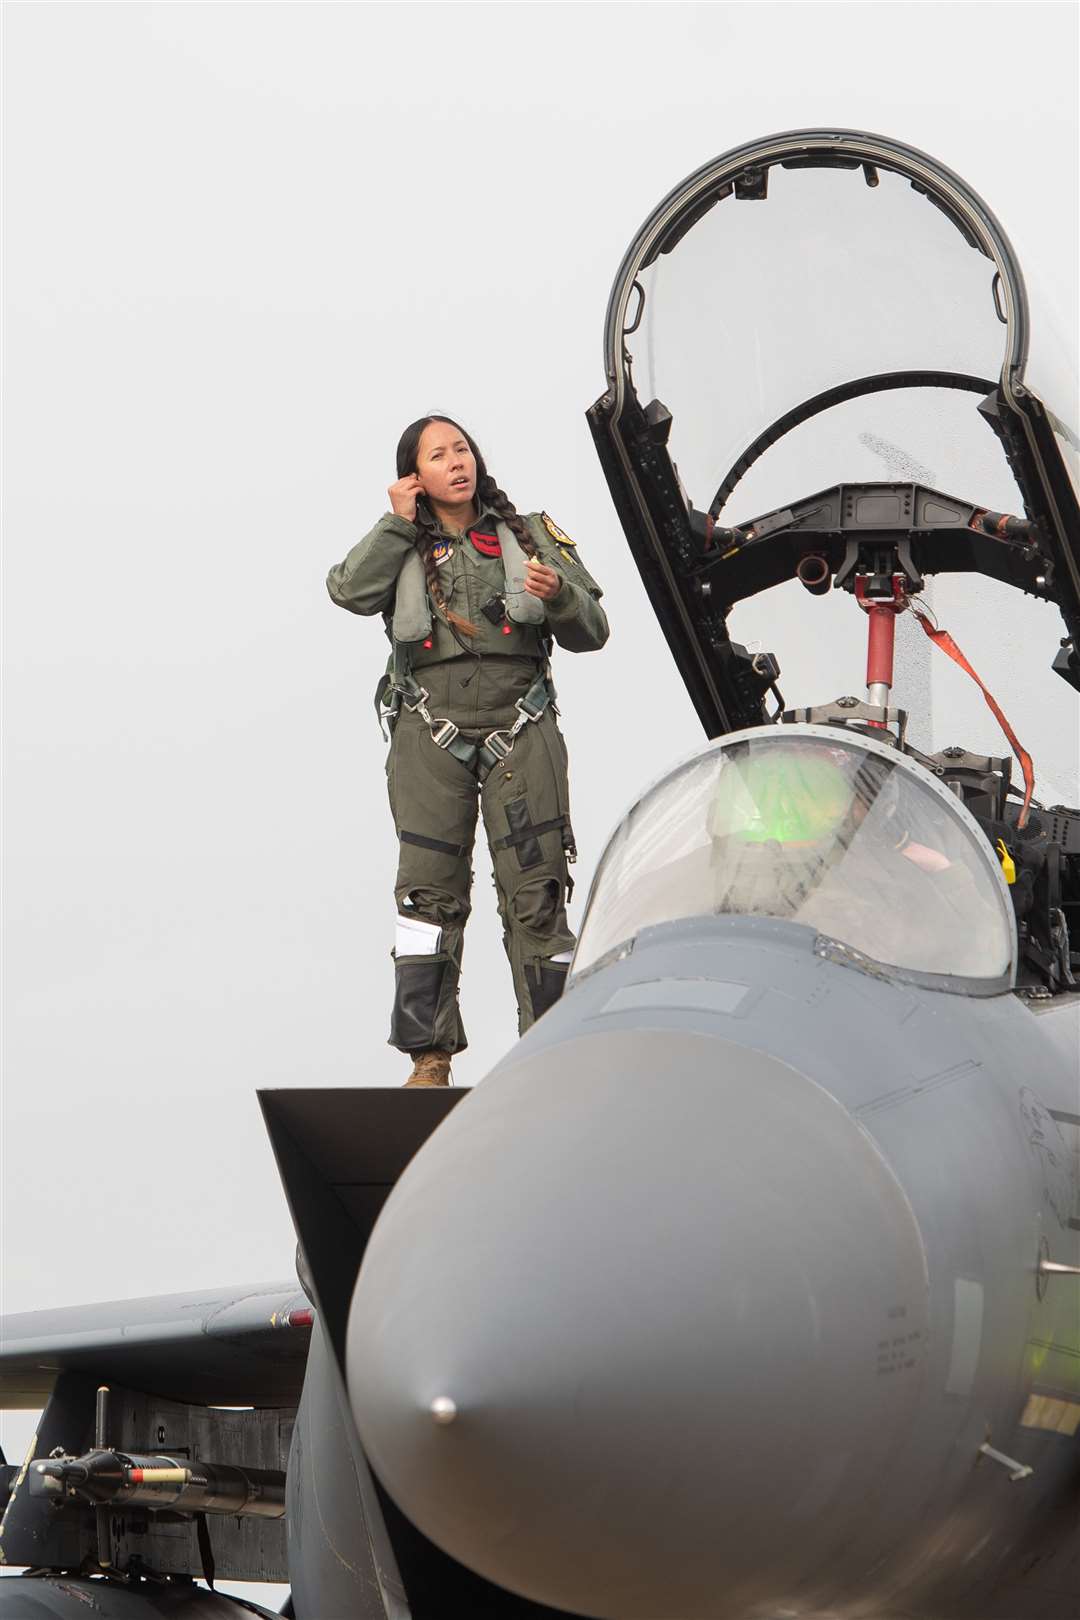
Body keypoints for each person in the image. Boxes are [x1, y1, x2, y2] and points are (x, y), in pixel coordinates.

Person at [327, 415, 608, 1086]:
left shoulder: (530, 535)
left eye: (462, 449)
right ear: (414, 476)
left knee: (538, 896)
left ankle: (552, 1054)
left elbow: (593, 630)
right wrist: (397, 523)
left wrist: (560, 594)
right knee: (427, 902)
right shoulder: (399, 543)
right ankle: (430, 1057)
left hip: (522, 730)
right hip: (430, 734)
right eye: (438, 455)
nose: (457, 462)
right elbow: (347, 591)